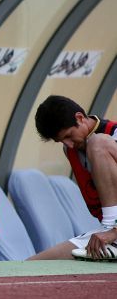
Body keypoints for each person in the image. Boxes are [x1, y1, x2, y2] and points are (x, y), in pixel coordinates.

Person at [30, 95, 117, 261]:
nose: (68, 144)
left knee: (97, 142)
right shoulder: (71, 150)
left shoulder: (109, 136)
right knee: (31, 266)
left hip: (112, 232)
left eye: (69, 136)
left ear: (80, 118)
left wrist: (113, 230)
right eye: (61, 141)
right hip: (108, 234)